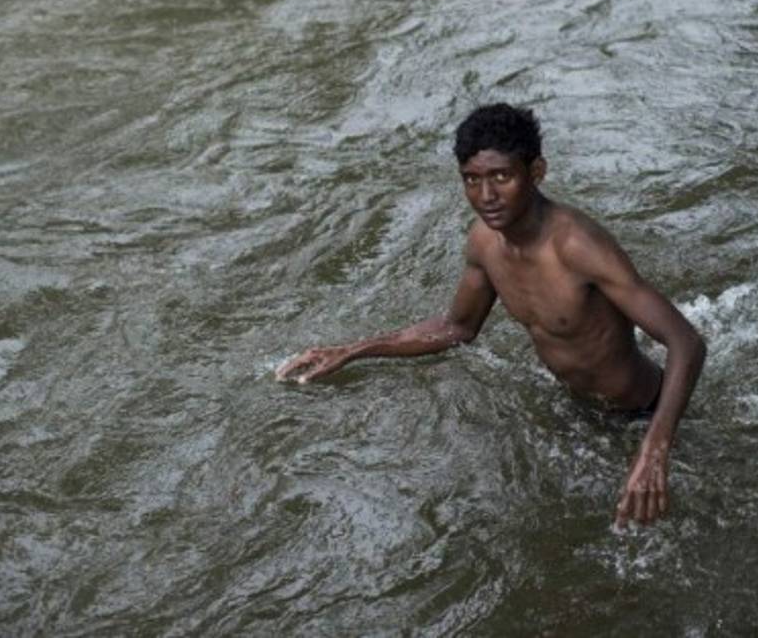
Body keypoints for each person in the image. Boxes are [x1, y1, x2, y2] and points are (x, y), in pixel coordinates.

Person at [278, 103, 707, 527]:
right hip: (576, 408)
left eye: (501, 177)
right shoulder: (485, 244)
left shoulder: (578, 247)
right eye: (472, 180)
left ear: (535, 172)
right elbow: (457, 327)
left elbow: (686, 343)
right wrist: (355, 350)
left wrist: (654, 448)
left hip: (646, 413)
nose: (486, 196)